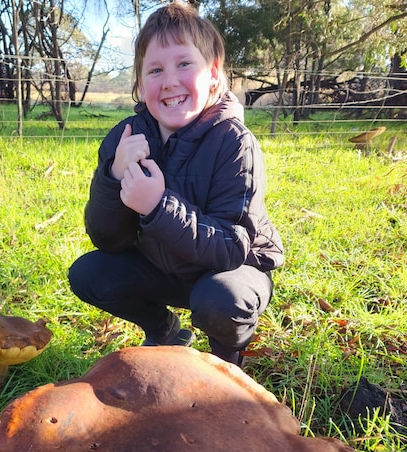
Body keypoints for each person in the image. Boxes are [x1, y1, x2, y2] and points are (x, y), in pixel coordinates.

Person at [68, 2, 284, 366]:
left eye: (184, 64)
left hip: (228, 273)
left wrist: (157, 206)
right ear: (139, 83)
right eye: (155, 69)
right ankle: (165, 330)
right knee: (89, 273)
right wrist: (114, 177)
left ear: (213, 74)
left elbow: (231, 248)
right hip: (163, 267)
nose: (169, 81)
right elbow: (107, 240)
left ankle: (227, 360)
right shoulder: (126, 137)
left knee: (222, 301)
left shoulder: (234, 141)